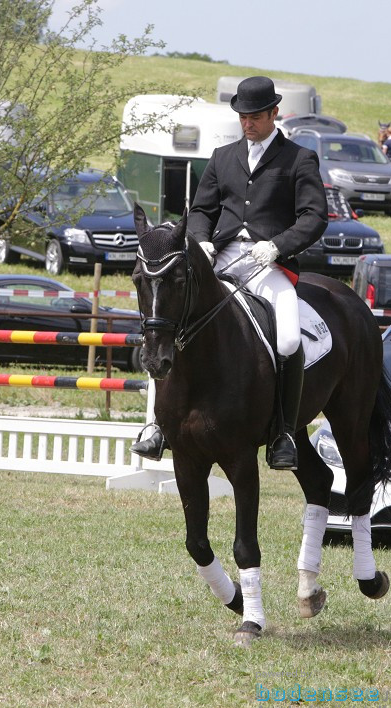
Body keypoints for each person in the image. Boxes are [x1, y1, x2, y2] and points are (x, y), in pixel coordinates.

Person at [130, 75, 328, 470]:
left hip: (268, 263)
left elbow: (314, 216)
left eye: (255, 115)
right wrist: (201, 241)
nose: (247, 123)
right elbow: (202, 210)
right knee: (171, 324)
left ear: (274, 113)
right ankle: (155, 426)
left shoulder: (299, 159)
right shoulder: (223, 156)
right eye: (242, 116)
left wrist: (278, 246)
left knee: (288, 339)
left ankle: (284, 433)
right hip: (219, 259)